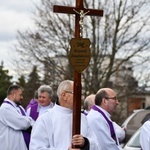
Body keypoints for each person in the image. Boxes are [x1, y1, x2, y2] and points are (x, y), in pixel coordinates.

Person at [30, 80, 101, 150]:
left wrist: (85, 143)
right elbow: (36, 147)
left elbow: (97, 145)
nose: (81, 98)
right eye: (77, 93)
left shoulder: (83, 118)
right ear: (64, 95)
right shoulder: (46, 118)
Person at [0, 85, 35, 150]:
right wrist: (28, 121)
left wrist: (27, 121)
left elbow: (31, 122)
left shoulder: (19, 107)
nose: (22, 97)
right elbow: (23, 124)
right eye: (20, 95)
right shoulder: (5, 109)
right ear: (13, 95)